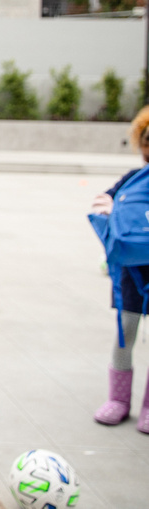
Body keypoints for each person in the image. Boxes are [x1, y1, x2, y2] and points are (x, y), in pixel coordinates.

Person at [92, 106, 149, 434]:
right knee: (126, 331)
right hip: (132, 273)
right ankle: (119, 399)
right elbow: (104, 200)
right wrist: (111, 210)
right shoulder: (132, 180)